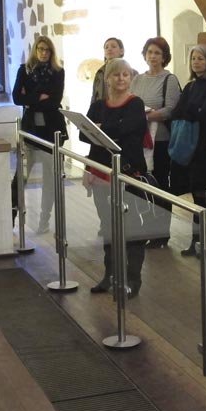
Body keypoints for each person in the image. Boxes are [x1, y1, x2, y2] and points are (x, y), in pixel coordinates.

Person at [83, 58, 148, 298]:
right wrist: (88, 169)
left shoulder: (135, 104)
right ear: (107, 79)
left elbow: (129, 130)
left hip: (127, 173)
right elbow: (85, 136)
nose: (121, 79)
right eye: (116, 75)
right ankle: (110, 275)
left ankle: (133, 278)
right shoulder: (99, 105)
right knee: (108, 226)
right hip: (101, 172)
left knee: (132, 229)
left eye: (125, 75)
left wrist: (103, 128)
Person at [170, 44, 206, 256]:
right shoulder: (190, 86)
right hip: (192, 145)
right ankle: (196, 242)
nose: (196, 62)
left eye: (201, 58)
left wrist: (191, 111)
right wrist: (192, 111)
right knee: (196, 195)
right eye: (194, 58)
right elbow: (179, 112)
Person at [131, 37, 182, 249]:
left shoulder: (169, 80)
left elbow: (172, 109)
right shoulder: (137, 79)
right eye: (150, 52)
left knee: (160, 184)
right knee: (142, 186)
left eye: (157, 53)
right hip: (140, 141)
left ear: (164, 57)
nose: (153, 56)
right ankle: (145, 229)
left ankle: (161, 232)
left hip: (160, 141)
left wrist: (147, 116)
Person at [13, 35, 66, 234]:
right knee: (21, 176)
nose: (44, 53)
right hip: (30, 130)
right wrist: (39, 97)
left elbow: (54, 101)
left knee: (50, 178)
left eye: (47, 50)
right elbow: (17, 97)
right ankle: (12, 218)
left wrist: (31, 98)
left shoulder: (58, 72)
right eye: (40, 49)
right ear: (35, 50)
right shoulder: (24, 70)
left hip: (52, 130)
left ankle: (45, 219)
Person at [90, 37, 135, 106]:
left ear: (121, 51)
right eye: (106, 47)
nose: (109, 49)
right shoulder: (100, 72)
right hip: (101, 111)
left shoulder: (131, 72)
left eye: (113, 46)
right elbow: (94, 96)